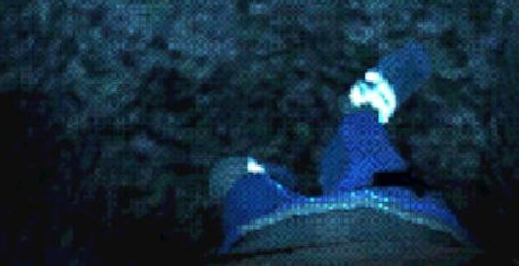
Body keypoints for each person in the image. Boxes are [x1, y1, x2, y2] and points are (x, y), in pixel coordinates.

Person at [207, 40, 484, 264]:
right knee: (366, 150)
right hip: (405, 229)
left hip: (262, 238)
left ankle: (289, 177)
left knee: (230, 173)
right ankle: (364, 109)